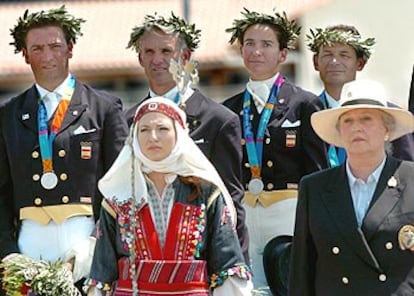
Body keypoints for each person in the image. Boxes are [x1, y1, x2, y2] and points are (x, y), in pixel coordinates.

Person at [0, 5, 128, 294]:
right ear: (24, 54)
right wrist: (8, 252)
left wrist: (99, 240)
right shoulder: (7, 115)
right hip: (28, 244)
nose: (47, 56)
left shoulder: (104, 108)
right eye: (37, 48)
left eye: (55, 46)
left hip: (85, 239)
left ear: (70, 49)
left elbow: (120, 184)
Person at [85, 97, 252, 295]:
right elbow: (102, 271)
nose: (152, 137)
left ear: (179, 134)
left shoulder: (206, 192)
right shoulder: (118, 196)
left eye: (162, 129)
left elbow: (227, 264)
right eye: (144, 130)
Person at [123, 12, 249, 264]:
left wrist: (236, 267)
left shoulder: (219, 121)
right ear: (139, 58)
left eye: (166, 51)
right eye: (149, 52)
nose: (157, 60)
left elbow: (231, 201)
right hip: (145, 258)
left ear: (185, 56)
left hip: (200, 258)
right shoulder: (128, 122)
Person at [222, 8, 329, 295]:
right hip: (243, 211)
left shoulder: (304, 104)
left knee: (290, 283)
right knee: (247, 287)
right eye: (249, 44)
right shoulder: (227, 110)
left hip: (289, 211)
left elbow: (318, 170)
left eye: (266, 45)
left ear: (283, 54)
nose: (256, 52)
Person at [289, 79, 414, 295]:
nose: (356, 127)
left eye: (366, 119)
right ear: (338, 132)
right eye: (347, 121)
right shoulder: (314, 187)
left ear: (387, 128)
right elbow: (302, 269)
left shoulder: (411, 179)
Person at [307, 24, 414, 165]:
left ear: (360, 63)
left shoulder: (388, 116)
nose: (334, 62)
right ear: (315, 62)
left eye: (344, 55)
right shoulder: (304, 111)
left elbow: (406, 175)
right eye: (327, 54)